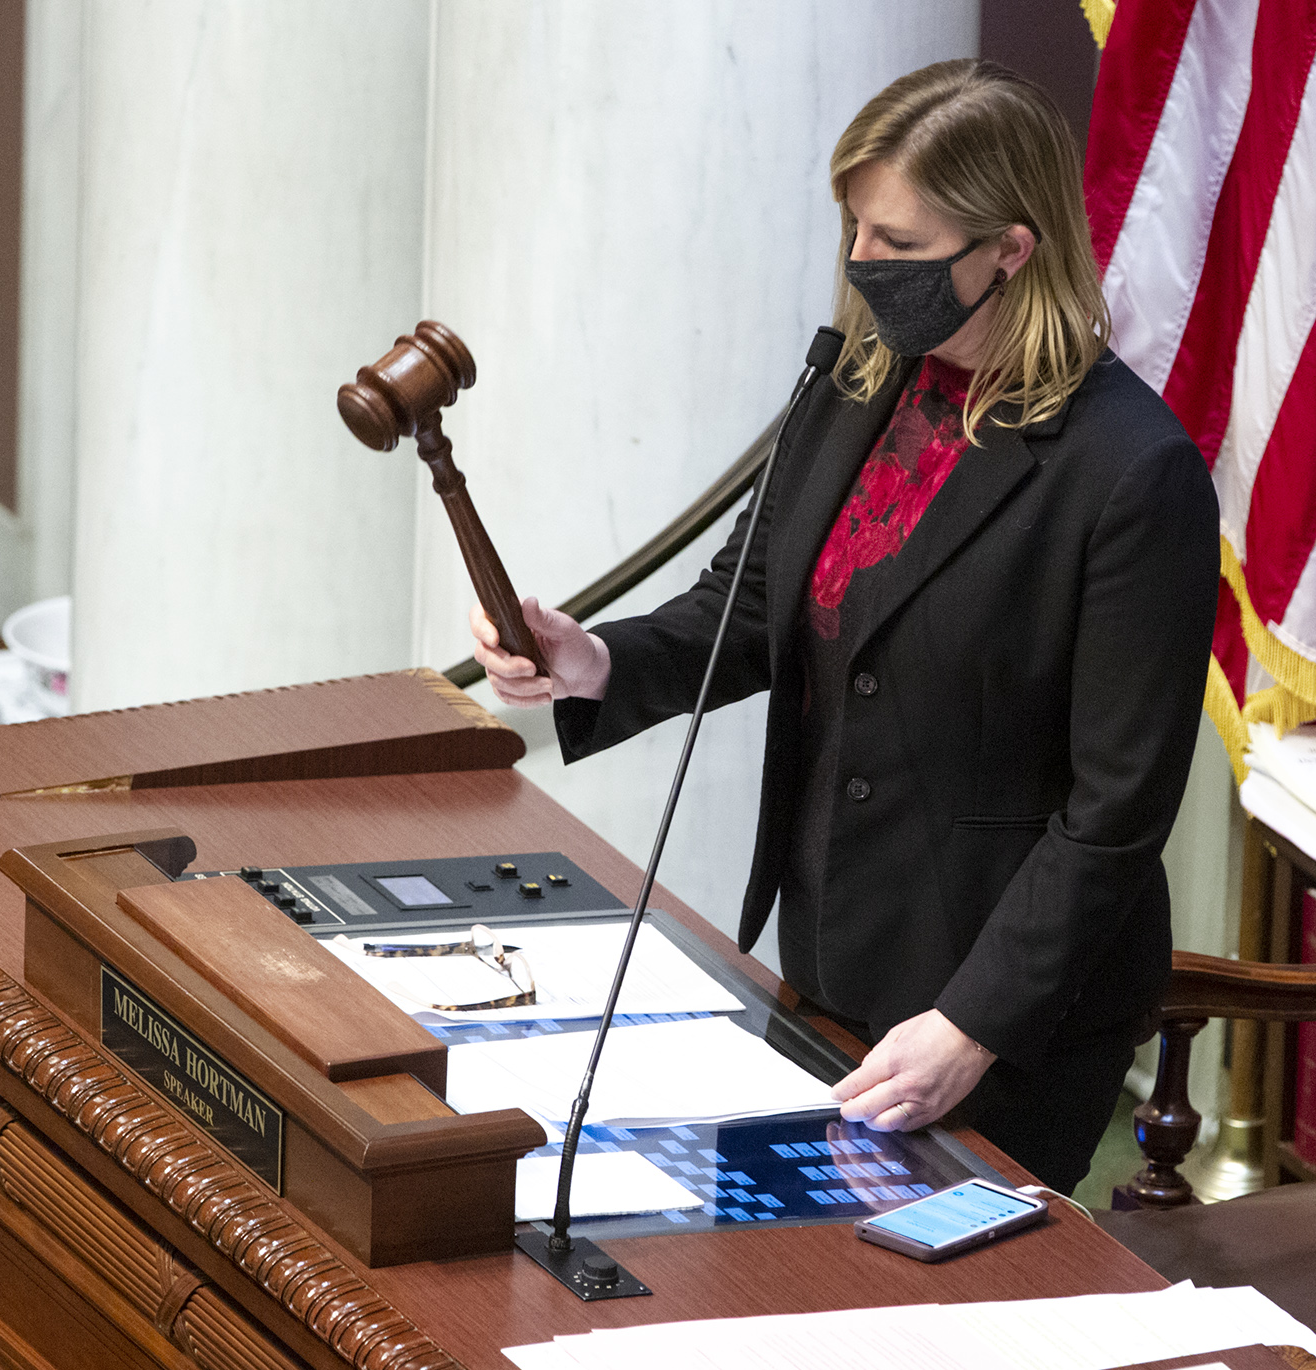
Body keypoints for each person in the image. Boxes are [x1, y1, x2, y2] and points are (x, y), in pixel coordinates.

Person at [471, 59, 1216, 1194]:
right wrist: (599, 658)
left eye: (902, 243)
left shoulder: (1132, 472)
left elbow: (1116, 812)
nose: (866, 264)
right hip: (828, 956)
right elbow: (752, 603)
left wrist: (974, 1020)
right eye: (857, 228)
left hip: (1006, 1013)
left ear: (1011, 250)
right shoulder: (857, 386)